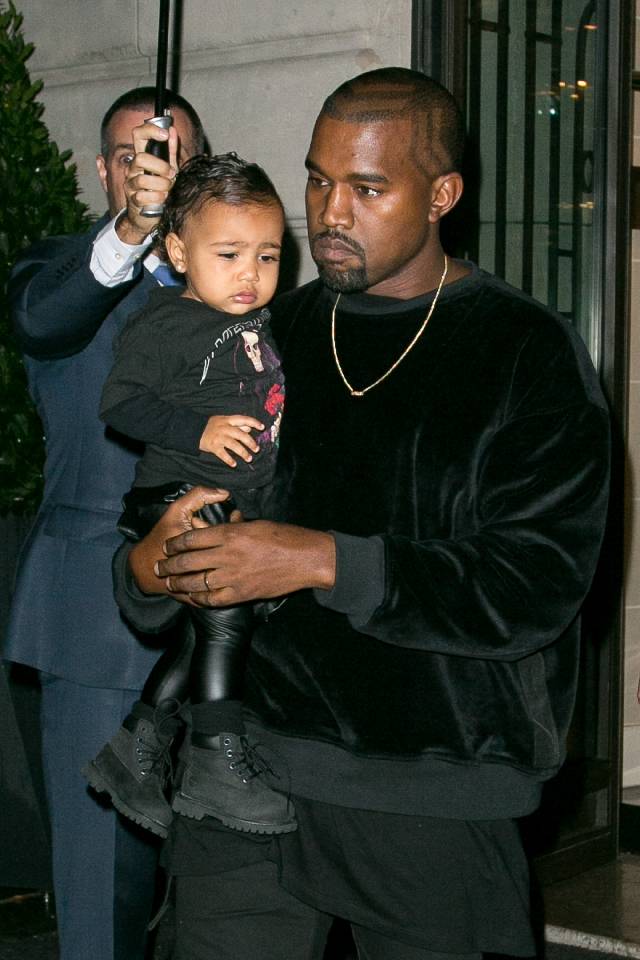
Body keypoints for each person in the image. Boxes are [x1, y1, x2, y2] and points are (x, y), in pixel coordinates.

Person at [114, 68, 610, 960]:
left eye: (367, 188)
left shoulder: (523, 352)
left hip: (433, 781)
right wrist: (150, 563)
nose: (330, 212)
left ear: (443, 195)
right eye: (317, 179)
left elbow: (534, 583)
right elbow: (158, 512)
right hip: (245, 769)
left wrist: (321, 560)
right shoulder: (265, 334)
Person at [3, 87, 204, 960]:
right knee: (103, 883)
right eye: (130, 154)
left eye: (168, 153)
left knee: (212, 882)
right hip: (96, 623)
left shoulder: (239, 271)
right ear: (103, 170)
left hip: (224, 617)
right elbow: (43, 323)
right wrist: (130, 231)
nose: (149, 168)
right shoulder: (64, 268)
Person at [83, 152, 294, 840]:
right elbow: (118, 404)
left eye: (268, 255)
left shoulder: (266, 321)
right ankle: (213, 763)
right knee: (225, 619)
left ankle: (134, 750)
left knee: (205, 638)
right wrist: (197, 429)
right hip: (176, 494)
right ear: (177, 250)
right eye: (229, 253)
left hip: (230, 499)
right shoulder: (164, 323)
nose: (250, 273)